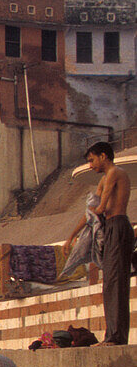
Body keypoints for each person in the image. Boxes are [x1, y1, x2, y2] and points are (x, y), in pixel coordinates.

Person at [65, 141, 133, 345]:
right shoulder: (104, 180)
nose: (90, 165)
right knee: (110, 284)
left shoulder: (115, 172)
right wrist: (71, 236)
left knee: (116, 283)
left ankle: (116, 337)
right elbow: (91, 213)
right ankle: (111, 335)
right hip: (110, 228)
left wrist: (91, 213)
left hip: (119, 226)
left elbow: (100, 208)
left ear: (103, 156)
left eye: (92, 160)